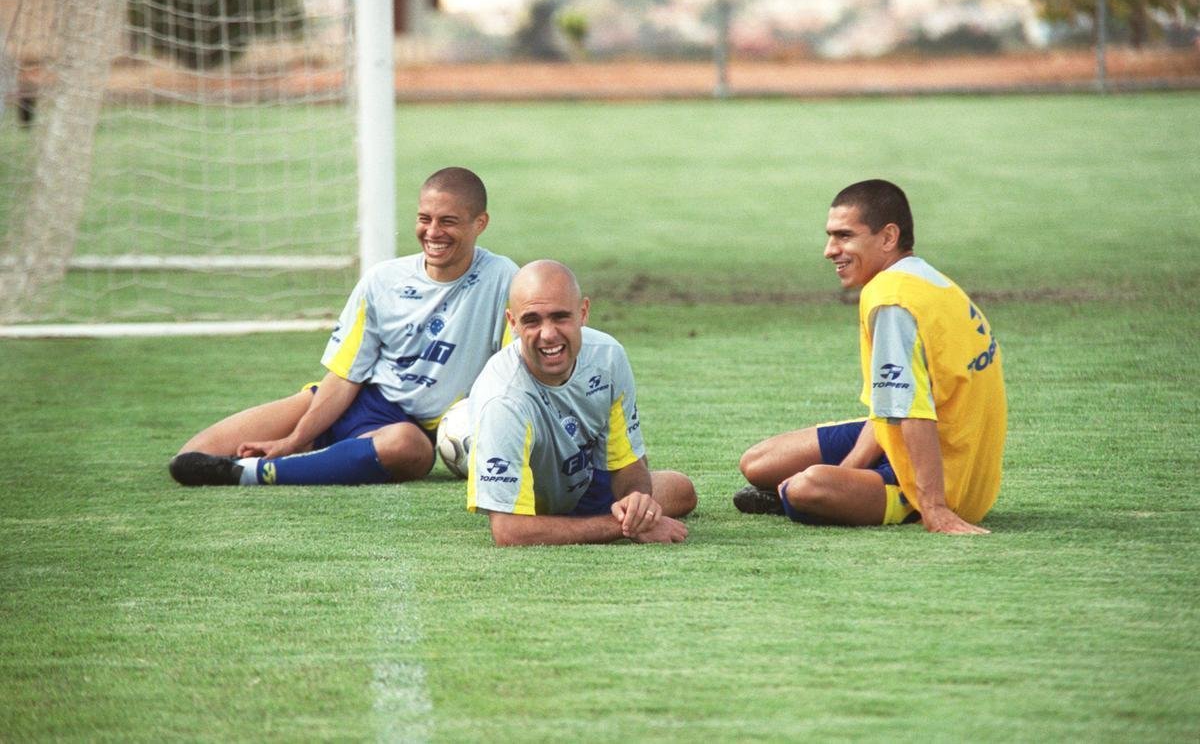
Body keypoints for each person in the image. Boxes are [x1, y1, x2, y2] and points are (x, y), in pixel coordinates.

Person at [169, 167, 518, 486]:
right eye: (424, 219)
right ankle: (308, 450)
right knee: (191, 457)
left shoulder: (504, 280)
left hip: (407, 432)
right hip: (354, 404)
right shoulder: (383, 280)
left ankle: (257, 473)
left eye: (448, 221)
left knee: (407, 448)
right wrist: (294, 437)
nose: (433, 232)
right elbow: (346, 375)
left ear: (480, 223)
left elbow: (510, 373)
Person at [735, 179, 1006, 535]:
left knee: (805, 487)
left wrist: (936, 509)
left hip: (946, 475)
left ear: (888, 237)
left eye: (844, 236)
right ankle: (836, 492)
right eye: (831, 236)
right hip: (932, 447)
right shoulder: (927, 280)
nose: (830, 250)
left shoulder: (892, 302)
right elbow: (889, 407)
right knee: (757, 464)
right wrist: (850, 470)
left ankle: (901, 504)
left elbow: (913, 411)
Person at [466, 260, 697, 546]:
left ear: (583, 313)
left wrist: (636, 501)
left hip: (583, 484)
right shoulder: (502, 399)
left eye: (560, 317)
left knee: (681, 490)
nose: (548, 334)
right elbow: (509, 532)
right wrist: (625, 527)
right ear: (512, 323)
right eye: (532, 320)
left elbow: (626, 462)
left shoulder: (608, 357)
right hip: (530, 509)